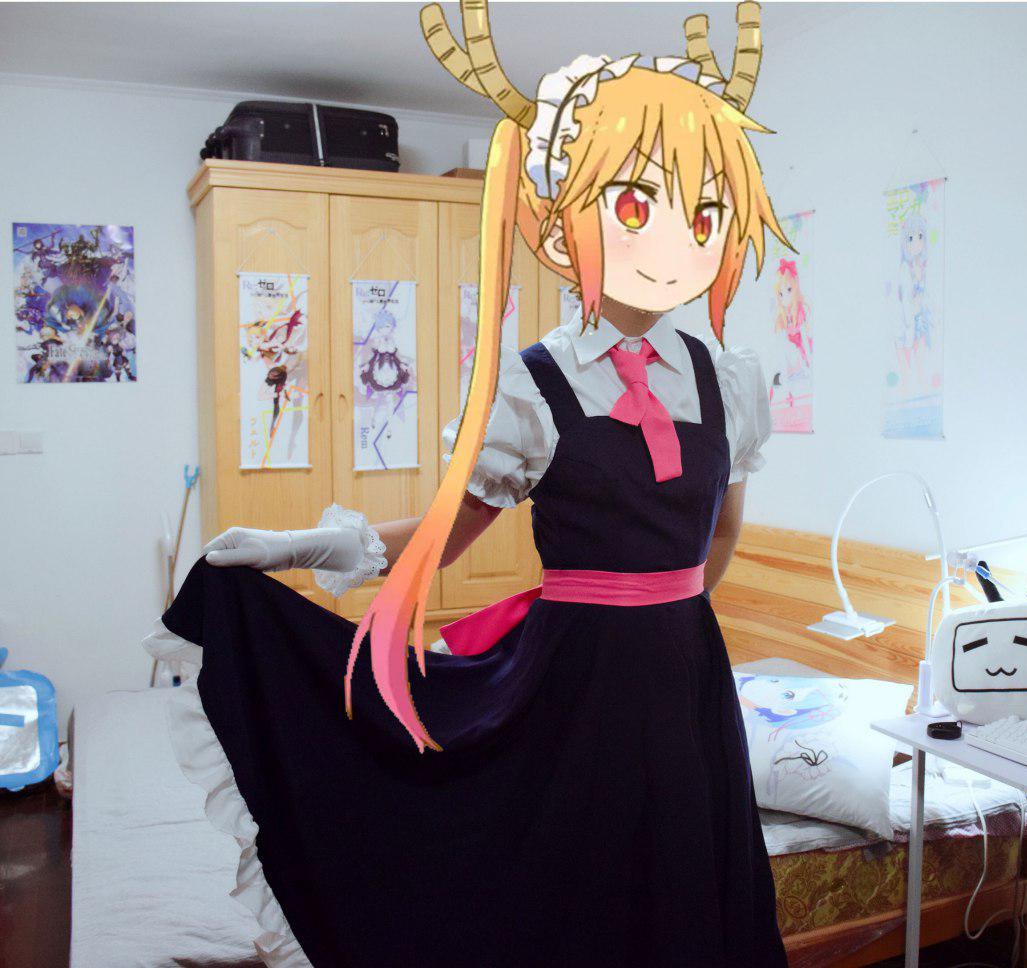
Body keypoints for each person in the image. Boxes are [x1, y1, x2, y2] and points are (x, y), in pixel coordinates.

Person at [147, 3, 792, 964]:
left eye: (700, 214)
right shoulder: (528, 390)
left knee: (691, 891)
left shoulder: (729, 381)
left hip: (690, 679)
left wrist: (667, 621)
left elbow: (723, 536)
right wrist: (296, 546)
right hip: (574, 686)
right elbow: (440, 537)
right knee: (568, 895)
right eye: (636, 206)